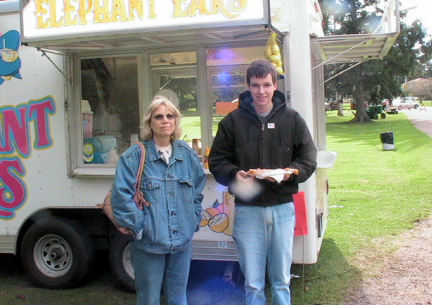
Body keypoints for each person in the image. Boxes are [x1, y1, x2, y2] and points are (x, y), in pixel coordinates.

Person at [208, 59, 317, 305]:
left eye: (266, 85)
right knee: (253, 282)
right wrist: (235, 174)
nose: (261, 91)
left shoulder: (292, 119)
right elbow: (217, 162)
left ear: (275, 86)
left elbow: (308, 159)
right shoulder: (232, 122)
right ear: (248, 86)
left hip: (282, 208)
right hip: (248, 210)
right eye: (256, 86)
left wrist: (292, 171)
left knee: (281, 280)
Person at [111, 96, 206, 305]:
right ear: (149, 123)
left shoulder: (187, 155)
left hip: (182, 242)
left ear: (176, 121)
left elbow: (198, 190)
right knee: (149, 299)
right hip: (149, 244)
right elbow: (120, 196)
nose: (165, 120)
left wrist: (193, 219)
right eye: (159, 116)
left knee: (179, 298)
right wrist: (140, 228)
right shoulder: (134, 156)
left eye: (170, 116)